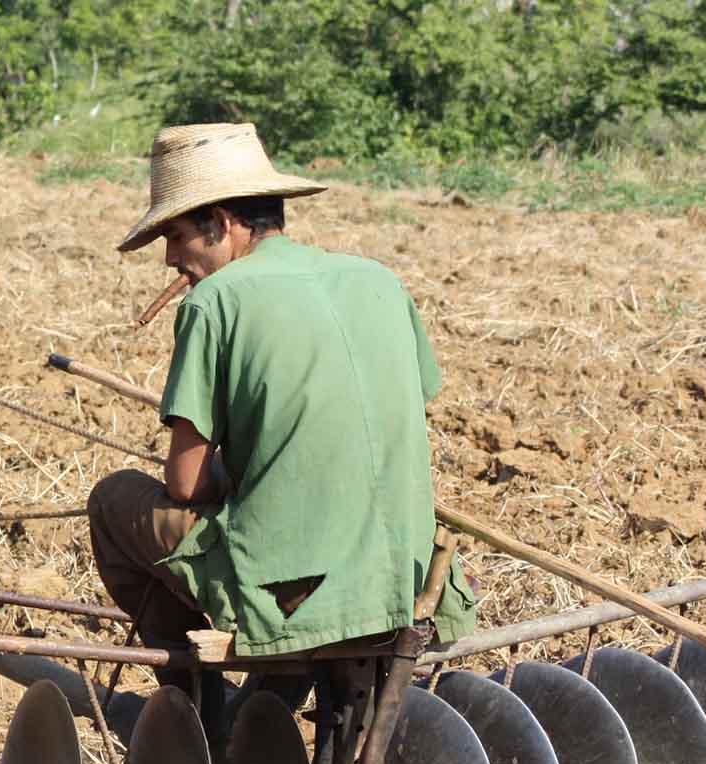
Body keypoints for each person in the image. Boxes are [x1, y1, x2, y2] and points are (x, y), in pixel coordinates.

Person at [88, 124, 476, 694]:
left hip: (293, 593)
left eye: (175, 236)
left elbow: (187, 483)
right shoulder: (380, 280)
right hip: (405, 576)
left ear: (220, 223)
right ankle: (268, 702)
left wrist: (229, 472)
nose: (171, 259)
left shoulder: (214, 303)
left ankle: (201, 711)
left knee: (113, 500)